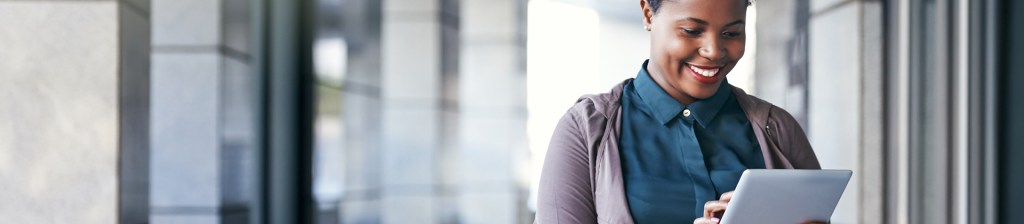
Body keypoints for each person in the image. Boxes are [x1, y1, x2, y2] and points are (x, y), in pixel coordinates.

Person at [533, 0, 826, 223]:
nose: (714, 50)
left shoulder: (777, 130)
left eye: (731, 32)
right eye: (692, 31)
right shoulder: (586, 129)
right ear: (648, 13)